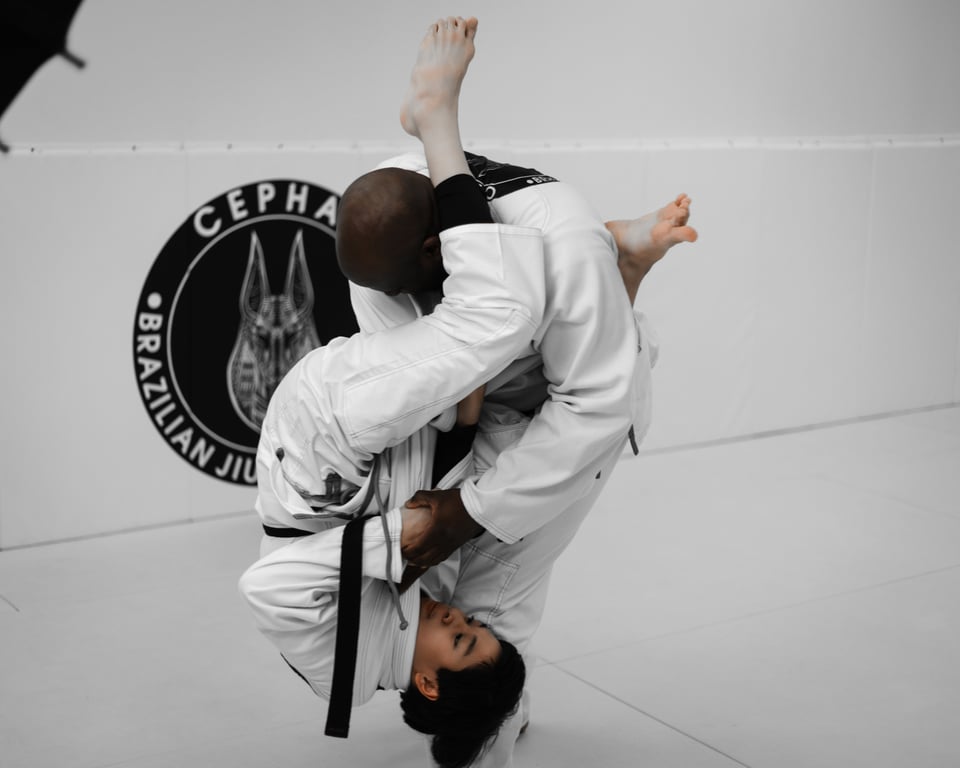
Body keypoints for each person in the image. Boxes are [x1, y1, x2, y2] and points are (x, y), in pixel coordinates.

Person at [240, 16, 697, 768]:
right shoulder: (418, 622)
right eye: (469, 632)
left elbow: (270, 584)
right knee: (510, 420)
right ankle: (611, 268)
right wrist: (446, 514)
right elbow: (474, 516)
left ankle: (446, 132)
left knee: (494, 325)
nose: (457, 622)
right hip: (401, 451)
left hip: (329, 439)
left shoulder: (341, 673)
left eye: (459, 640)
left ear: (425, 679)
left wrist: (414, 533)